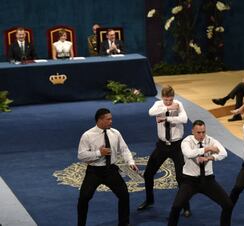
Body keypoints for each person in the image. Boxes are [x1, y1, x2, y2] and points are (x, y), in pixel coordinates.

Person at [77, 108, 138, 226]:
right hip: (94, 171)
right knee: (84, 198)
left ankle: (124, 223)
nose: (111, 121)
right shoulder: (88, 135)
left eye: (111, 119)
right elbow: (81, 155)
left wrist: (130, 162)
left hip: (111, 170)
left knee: (124, 195)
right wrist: (99, 153)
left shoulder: (115, 133)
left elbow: (124, 149)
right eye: (108, 119)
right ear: (100, 120)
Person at [137, 85, 191, 216]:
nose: (169, 102)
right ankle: (149, 200)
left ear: (174, 97)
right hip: (161, 146)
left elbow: (184, 119)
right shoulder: (158, 104)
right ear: (162, 98)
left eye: (170, 100)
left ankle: (186, 206)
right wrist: (168, 108)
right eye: (166, 100)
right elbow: (151, 113)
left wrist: (167, 117)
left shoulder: (179, 104)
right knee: (149, 174)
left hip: (177, 146)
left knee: (181, 177)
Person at [168, 120, 233, 226]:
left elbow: (224, 153)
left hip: (208, 180)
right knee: (176, 207)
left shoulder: (211, 140)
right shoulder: (187, 141)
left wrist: (211, 157)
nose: (202, 135)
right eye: (198, 132)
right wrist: (207, 149)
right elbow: (189, 154)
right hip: (190, 181)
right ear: (192, 131)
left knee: (228, 205)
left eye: (203, 132)